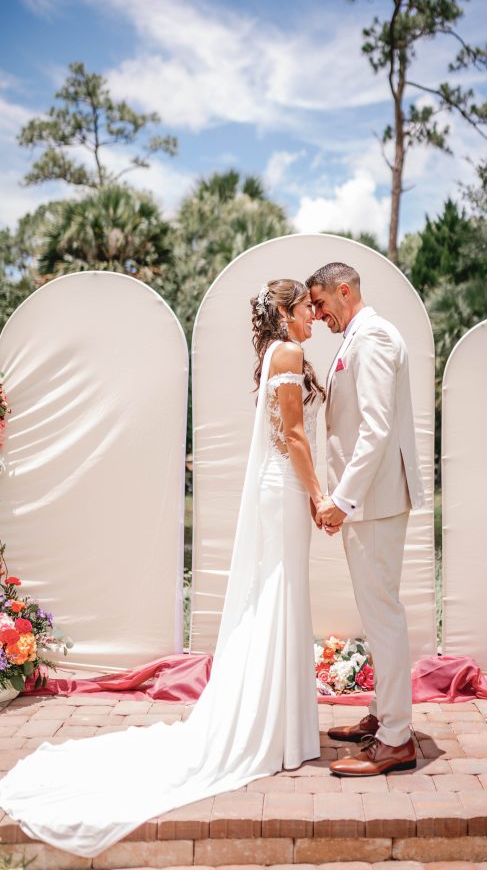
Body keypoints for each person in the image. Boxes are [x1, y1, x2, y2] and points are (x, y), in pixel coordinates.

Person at [0, 279, 326, 857]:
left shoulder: (272, 354)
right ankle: (274, 728)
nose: (312, 318)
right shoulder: (290, 353)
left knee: (279, 595)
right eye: (306, 308)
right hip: (286, 491)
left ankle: (279, 725)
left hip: (279, 491)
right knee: (280, 593)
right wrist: (319, 494)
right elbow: (294, 434)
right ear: (284, 311)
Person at [306, 261, 424, 777]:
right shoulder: (358, 336)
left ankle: (397, 739)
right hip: (368, 502)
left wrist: (342, 500)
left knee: (382, 614)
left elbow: (375, 430)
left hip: (373, 502)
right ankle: (384, 716)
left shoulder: (372, 337)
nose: (316, 313)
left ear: (344, 290)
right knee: (378, 612)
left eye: (319, 302)